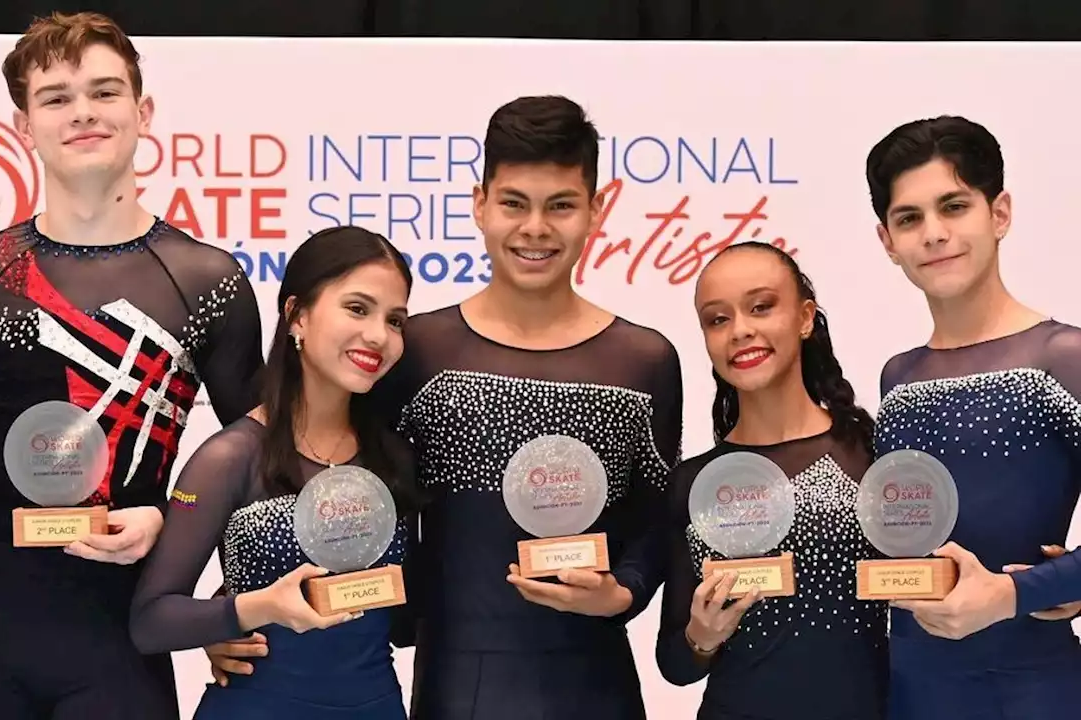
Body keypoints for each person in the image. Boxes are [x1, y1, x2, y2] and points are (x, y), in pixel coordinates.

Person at [197, 96, 683, 717]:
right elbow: (316, 479)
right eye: (513, 203)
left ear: (597, 208)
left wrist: (624, 593)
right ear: (480, 203)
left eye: (560, 205)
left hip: (596, 684)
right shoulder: (417, 350)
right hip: (456, 684)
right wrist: (230, 606)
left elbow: (654, 516)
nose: (535, 228)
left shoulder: (643, 361)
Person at [0, 12, 262, 720]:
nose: (82, 113)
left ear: (143, 112)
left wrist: (223, 598)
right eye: (57, 97)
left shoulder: (206, 279)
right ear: (22, 125)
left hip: (121, 633)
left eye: (104, 93)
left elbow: (264, 462)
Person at [131, 225, 420, 719]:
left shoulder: (393, 457)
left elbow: (403, 624)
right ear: (296, 315)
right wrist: (249, 610)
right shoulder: (230, 457)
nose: (378, 334)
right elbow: (151, 621)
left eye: (395, 320)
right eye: (357, 308)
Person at [866, 115, 1081, 719]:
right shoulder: (898, 378)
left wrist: (1024, 591)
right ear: (887, 241)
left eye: (954, 206)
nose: (934, 233)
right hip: (910, 694)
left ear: (1000, 213)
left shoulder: (1063, 359)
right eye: (910, 218)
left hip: (1031, 693)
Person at [654, 241, 888, 719]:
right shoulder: (694, 482)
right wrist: (703, 636)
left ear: (805, 318)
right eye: (717, 319)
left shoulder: (875, 454)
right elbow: (675, 664)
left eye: (761, 307)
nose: (740, 330)